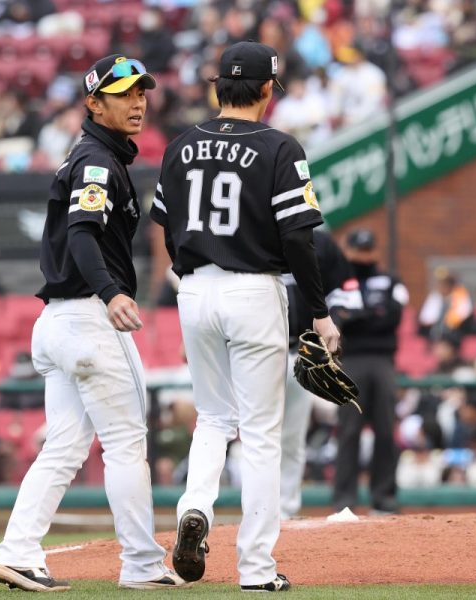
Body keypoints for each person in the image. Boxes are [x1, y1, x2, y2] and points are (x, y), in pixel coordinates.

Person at [0, 54, 186, 592]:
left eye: (141, 92)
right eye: (123, 94)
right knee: (126, 444)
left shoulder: (94, 156)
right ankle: (141, 564)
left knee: (64, 446)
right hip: (87, 318)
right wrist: (111, 291)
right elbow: (81, 233)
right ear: (94, 103)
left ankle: (18, 551)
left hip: (57, 322)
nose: (138, 102)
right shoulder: (97, 161)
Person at [150, 41, 339, 592]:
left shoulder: (181, 145)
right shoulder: (279, 146)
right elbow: (298, 239)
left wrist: (190, 275)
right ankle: (256, 569)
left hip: (194, 289)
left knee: (213, 418)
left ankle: (195, 508)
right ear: (265, 90)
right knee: (260, 434)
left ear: (218, 87)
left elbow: (167, 228)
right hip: (254, 290)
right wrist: (319, 313)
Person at [280, 230, 362, 519]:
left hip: (303, 351)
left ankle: (285, 510)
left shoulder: (320, 242)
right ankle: (258, 510)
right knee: (259, 435)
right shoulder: (254, 231)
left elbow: (347, 290)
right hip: (259, 350)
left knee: (292, 437)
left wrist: (332, 322)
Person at [332, 228, 408, 515]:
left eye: (368, 249)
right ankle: (344, 499)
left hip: (383, 360)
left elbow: (392, 318)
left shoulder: (391, 281)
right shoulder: (340, 281)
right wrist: (370, 314)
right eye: (358, 249)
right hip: (350, 360)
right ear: (348, 250)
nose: (364, 255)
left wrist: (358, 316)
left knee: (386, 429)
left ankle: (384, 497)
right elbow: (338, 318)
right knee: (349, 431)